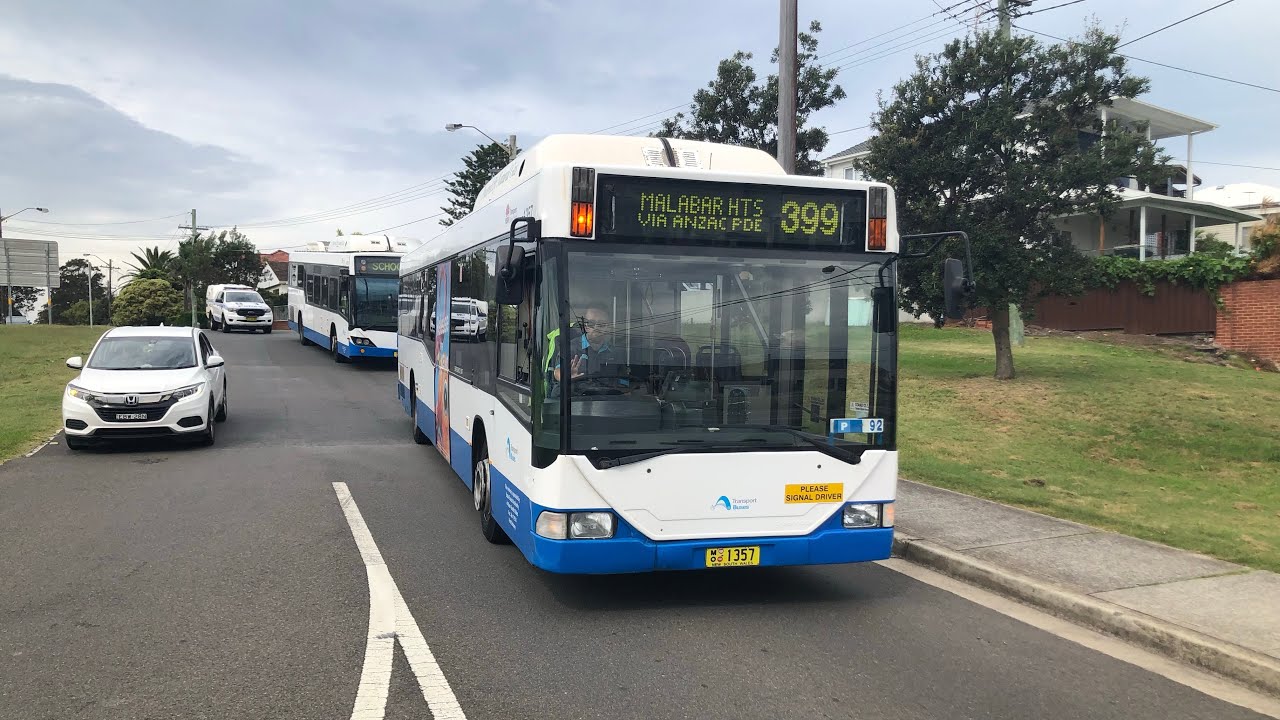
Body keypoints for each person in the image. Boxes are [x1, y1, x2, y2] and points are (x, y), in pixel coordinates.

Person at [551, 302, 630, 388]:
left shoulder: (616, 353)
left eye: (601, 324)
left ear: (608, 327)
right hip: (575, 399)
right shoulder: (570, 347)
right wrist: (566, 377)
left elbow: (625, 382)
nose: (596, 328)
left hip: (608, 399)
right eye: (591, 323)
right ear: (585, 325)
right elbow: (557, 371)